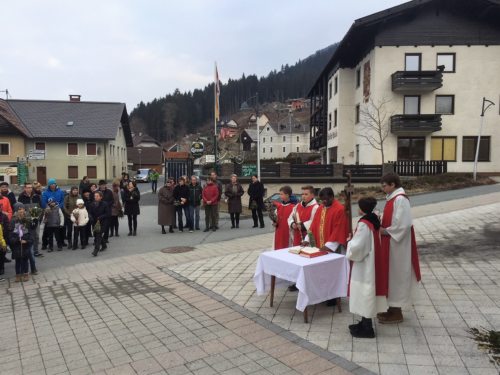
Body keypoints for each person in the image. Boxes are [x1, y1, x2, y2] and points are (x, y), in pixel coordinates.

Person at [377, 173, 421, 324]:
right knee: (391, 276)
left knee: (397, 276)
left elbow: (404, 223)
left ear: (393, 184)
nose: (382, 188)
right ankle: (391, 308)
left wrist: (386, 231)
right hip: (392, 243)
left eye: (384, 185)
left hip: (398, 246)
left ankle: (397, 312)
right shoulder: (393, 198)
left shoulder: (401, 199)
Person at [346, 197, 389, 338]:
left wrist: (349, 244)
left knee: (364, 291)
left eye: (358, 206)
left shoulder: (365, 223)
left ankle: (367, 328)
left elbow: (359, 246)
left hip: (365, 263)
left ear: (363, 208)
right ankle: (364, 321)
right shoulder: (373, 219)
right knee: (366, 291)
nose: (357, 209)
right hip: (371, 259)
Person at [304, 187, 349, 253]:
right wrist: (307, 239)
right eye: (322, 200)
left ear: (332, 197)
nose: (323, 202)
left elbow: (339, 230)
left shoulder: (340, 210)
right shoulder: (321, 208)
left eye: (325, 200)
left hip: (334, 247)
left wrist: (329, 246)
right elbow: (314, 225)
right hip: (319, 246)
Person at [10, 203, 34, 282]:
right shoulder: (13, 220)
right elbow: (11, 233)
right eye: (19, 209)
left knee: (25, 259)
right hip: (17, 244)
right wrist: (16, 239)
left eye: (22, 209)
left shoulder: (27, 219)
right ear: (16, 211)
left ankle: (26, 274)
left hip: (25, 243)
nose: (21, 211)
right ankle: (18, 274)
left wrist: (27, 241)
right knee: (18, 260)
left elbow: (30, 231)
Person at [18, 182, 43, 257]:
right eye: (28, 187)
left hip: (35, 219)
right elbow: (20, 210)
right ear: (25, 188)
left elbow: (40, 207)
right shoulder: (21, 197)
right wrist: (24, 219)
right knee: (27, 236)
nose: (29, 189)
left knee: (36, 236)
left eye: (31, 187)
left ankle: (35, 251)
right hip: (26, 220)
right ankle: (28, 251)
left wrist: (36, 218)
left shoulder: (36, 196)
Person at [272, 186, 296, 250]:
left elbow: (294, 220)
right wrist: (274, 222)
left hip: (288, 231)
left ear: (287, 195)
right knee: (277, 247)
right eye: (280, 194)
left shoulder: (293, 207)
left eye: (281, 194)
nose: (280, 196)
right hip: (279, 230)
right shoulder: (279, 206)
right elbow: (275, 218)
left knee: (287, 248)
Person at [88, 191, 109, 256]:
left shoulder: (105, 204)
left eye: (97, 196)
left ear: (101, 197)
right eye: (95, 196)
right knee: (97, 235)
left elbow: (108, 214)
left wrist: (100, 217)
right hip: (94, 222)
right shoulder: (92, 204)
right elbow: (89, 212)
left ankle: (95, 250)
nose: (95, 197)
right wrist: (90, 217)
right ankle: (104, 245)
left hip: (102, 222)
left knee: (98, 236)